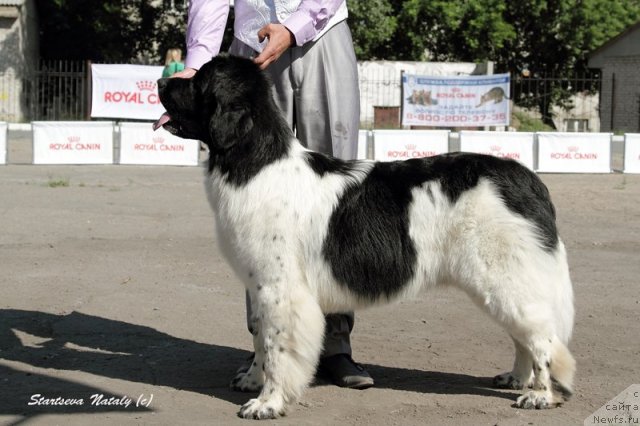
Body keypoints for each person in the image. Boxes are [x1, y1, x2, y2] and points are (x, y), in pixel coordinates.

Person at [173, 0, 372, 389]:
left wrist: (295, 26)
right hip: (251, 46)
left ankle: (335, 346)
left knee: (333, 199)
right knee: (257, 202)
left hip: (322, 34)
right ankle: (267, 342)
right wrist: (199, 62)